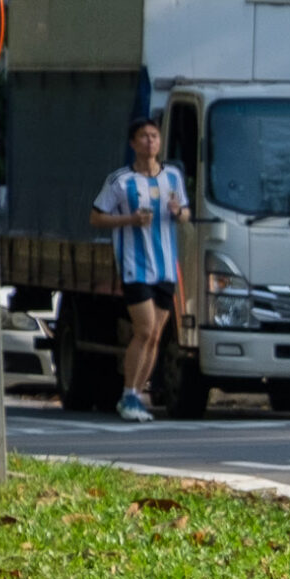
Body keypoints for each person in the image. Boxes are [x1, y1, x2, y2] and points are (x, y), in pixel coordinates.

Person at [87, 116, 189, 423]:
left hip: (166, 269)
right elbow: (96, 217)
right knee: (143, 330)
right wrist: (129, 220)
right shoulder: (120, 181)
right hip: (136, 267)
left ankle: (136, 394)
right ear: (133, 143)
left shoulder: (172, 177)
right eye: (144, 137)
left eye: (154, 136)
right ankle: (128, 394)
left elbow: (184, 215)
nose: (150, 142)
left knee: (156, 336)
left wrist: (178, 212)